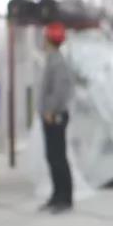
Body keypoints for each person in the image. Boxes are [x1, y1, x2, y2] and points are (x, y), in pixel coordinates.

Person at [39, 23, 74, 213]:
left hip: (56, 115)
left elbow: (59, 90)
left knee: (58, 157)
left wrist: (50, 110)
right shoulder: (52, 59)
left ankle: (64, 197)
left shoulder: (57, 62)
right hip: (51, 114)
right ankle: (56, 194)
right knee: (52, 156)